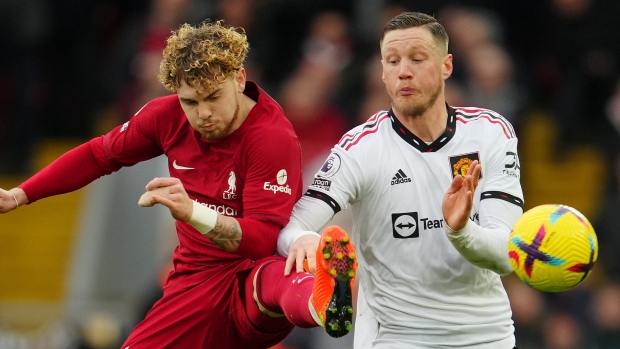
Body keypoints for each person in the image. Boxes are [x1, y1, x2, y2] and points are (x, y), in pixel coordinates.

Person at [0, 21, 357, 348]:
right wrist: (21, 194)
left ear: (238, 78)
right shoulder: (165, 117)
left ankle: (323, 302)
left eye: (213, 97)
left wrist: (194, 213)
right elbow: (99, 155)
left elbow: (264, 237)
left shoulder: (271, 137)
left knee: (276, 274)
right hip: (195, 284)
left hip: (253, 280)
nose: (203, 113)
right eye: (190, 101)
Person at [278, 11, 523, 349]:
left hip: (486, 336)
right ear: (382, 72)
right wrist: (302, 240)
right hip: (395, 338)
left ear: (446, 66)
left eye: (417, 59)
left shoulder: (490, 133)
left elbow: (504, 254)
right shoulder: (360, 149)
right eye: (392, 61)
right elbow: (294, 224)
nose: (403, 71)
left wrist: (460, 230)